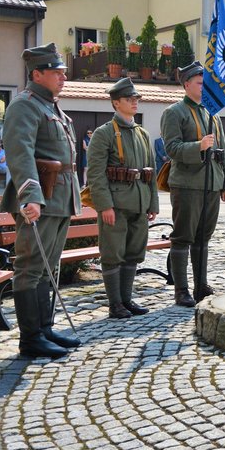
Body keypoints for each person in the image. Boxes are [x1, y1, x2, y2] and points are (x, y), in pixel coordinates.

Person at [0, 43, 82, 358]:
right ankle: (31, 338)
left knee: (48, 267)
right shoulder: (25, 105)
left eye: (63, 72)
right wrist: (31, 197)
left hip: (60, 199)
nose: (63, 76)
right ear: (37, 74)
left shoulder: (51, 106)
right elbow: (20, 154)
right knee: (31, 267)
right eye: (56, 72)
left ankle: (45, 329)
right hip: (41, 200)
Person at [160, 61, 225, 307]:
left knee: (203, 237)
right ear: (187, 84)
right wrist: (198, 146)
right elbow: (172, 148)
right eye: (200, 83)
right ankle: (181, 290)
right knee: (183, 237)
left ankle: (201, 284)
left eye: (206, 83)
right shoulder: (174, 112)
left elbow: (222, 152)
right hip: (187, 184)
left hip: (211, 183)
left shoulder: (213, 114)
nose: (204, 87)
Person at [86, 78, 160, 318]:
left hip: (139, 202)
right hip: (115, 205)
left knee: (133, 252)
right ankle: (115, 303)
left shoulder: (142, 134)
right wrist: (104, 205)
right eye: (129, 99)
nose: (135, 102)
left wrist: (152, 203)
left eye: (136, 98)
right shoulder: (104, 133)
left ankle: (127, 300)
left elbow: (151, 172)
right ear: (116, 103)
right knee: (112, 253)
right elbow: (95, 174)